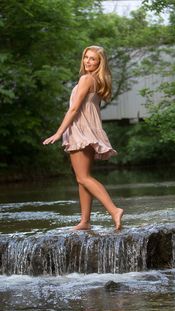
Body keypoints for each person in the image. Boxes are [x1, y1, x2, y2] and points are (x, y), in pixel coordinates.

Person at [43, 45, 123, 230]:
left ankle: (114, 210)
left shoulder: (86, 79)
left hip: (80, 130)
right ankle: (85, 221)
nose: (88, 61)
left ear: (99, 62)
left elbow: (74, 109)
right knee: (82, 177)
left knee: (83, 177)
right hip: (90, 130)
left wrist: (58, 132)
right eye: (86, 57)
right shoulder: (97, 80)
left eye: (92, 58)